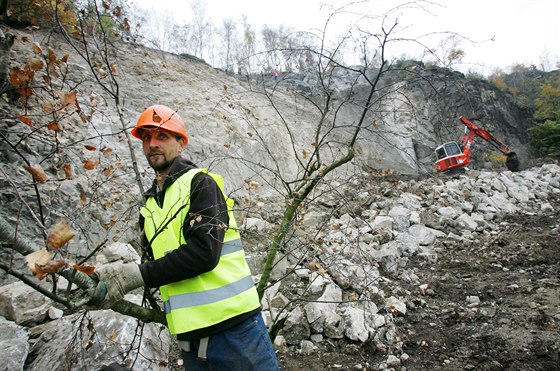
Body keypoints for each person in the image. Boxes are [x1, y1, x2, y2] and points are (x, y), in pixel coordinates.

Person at [92, 104, 280, 370]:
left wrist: (133, 276)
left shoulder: (200, 183)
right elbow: (160, 265)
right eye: (146, 138)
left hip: (235, 331)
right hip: (190, 337)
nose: (152, 144)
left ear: (181, 144)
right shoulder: (150, 206)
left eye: (162, 136)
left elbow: (204, 253)